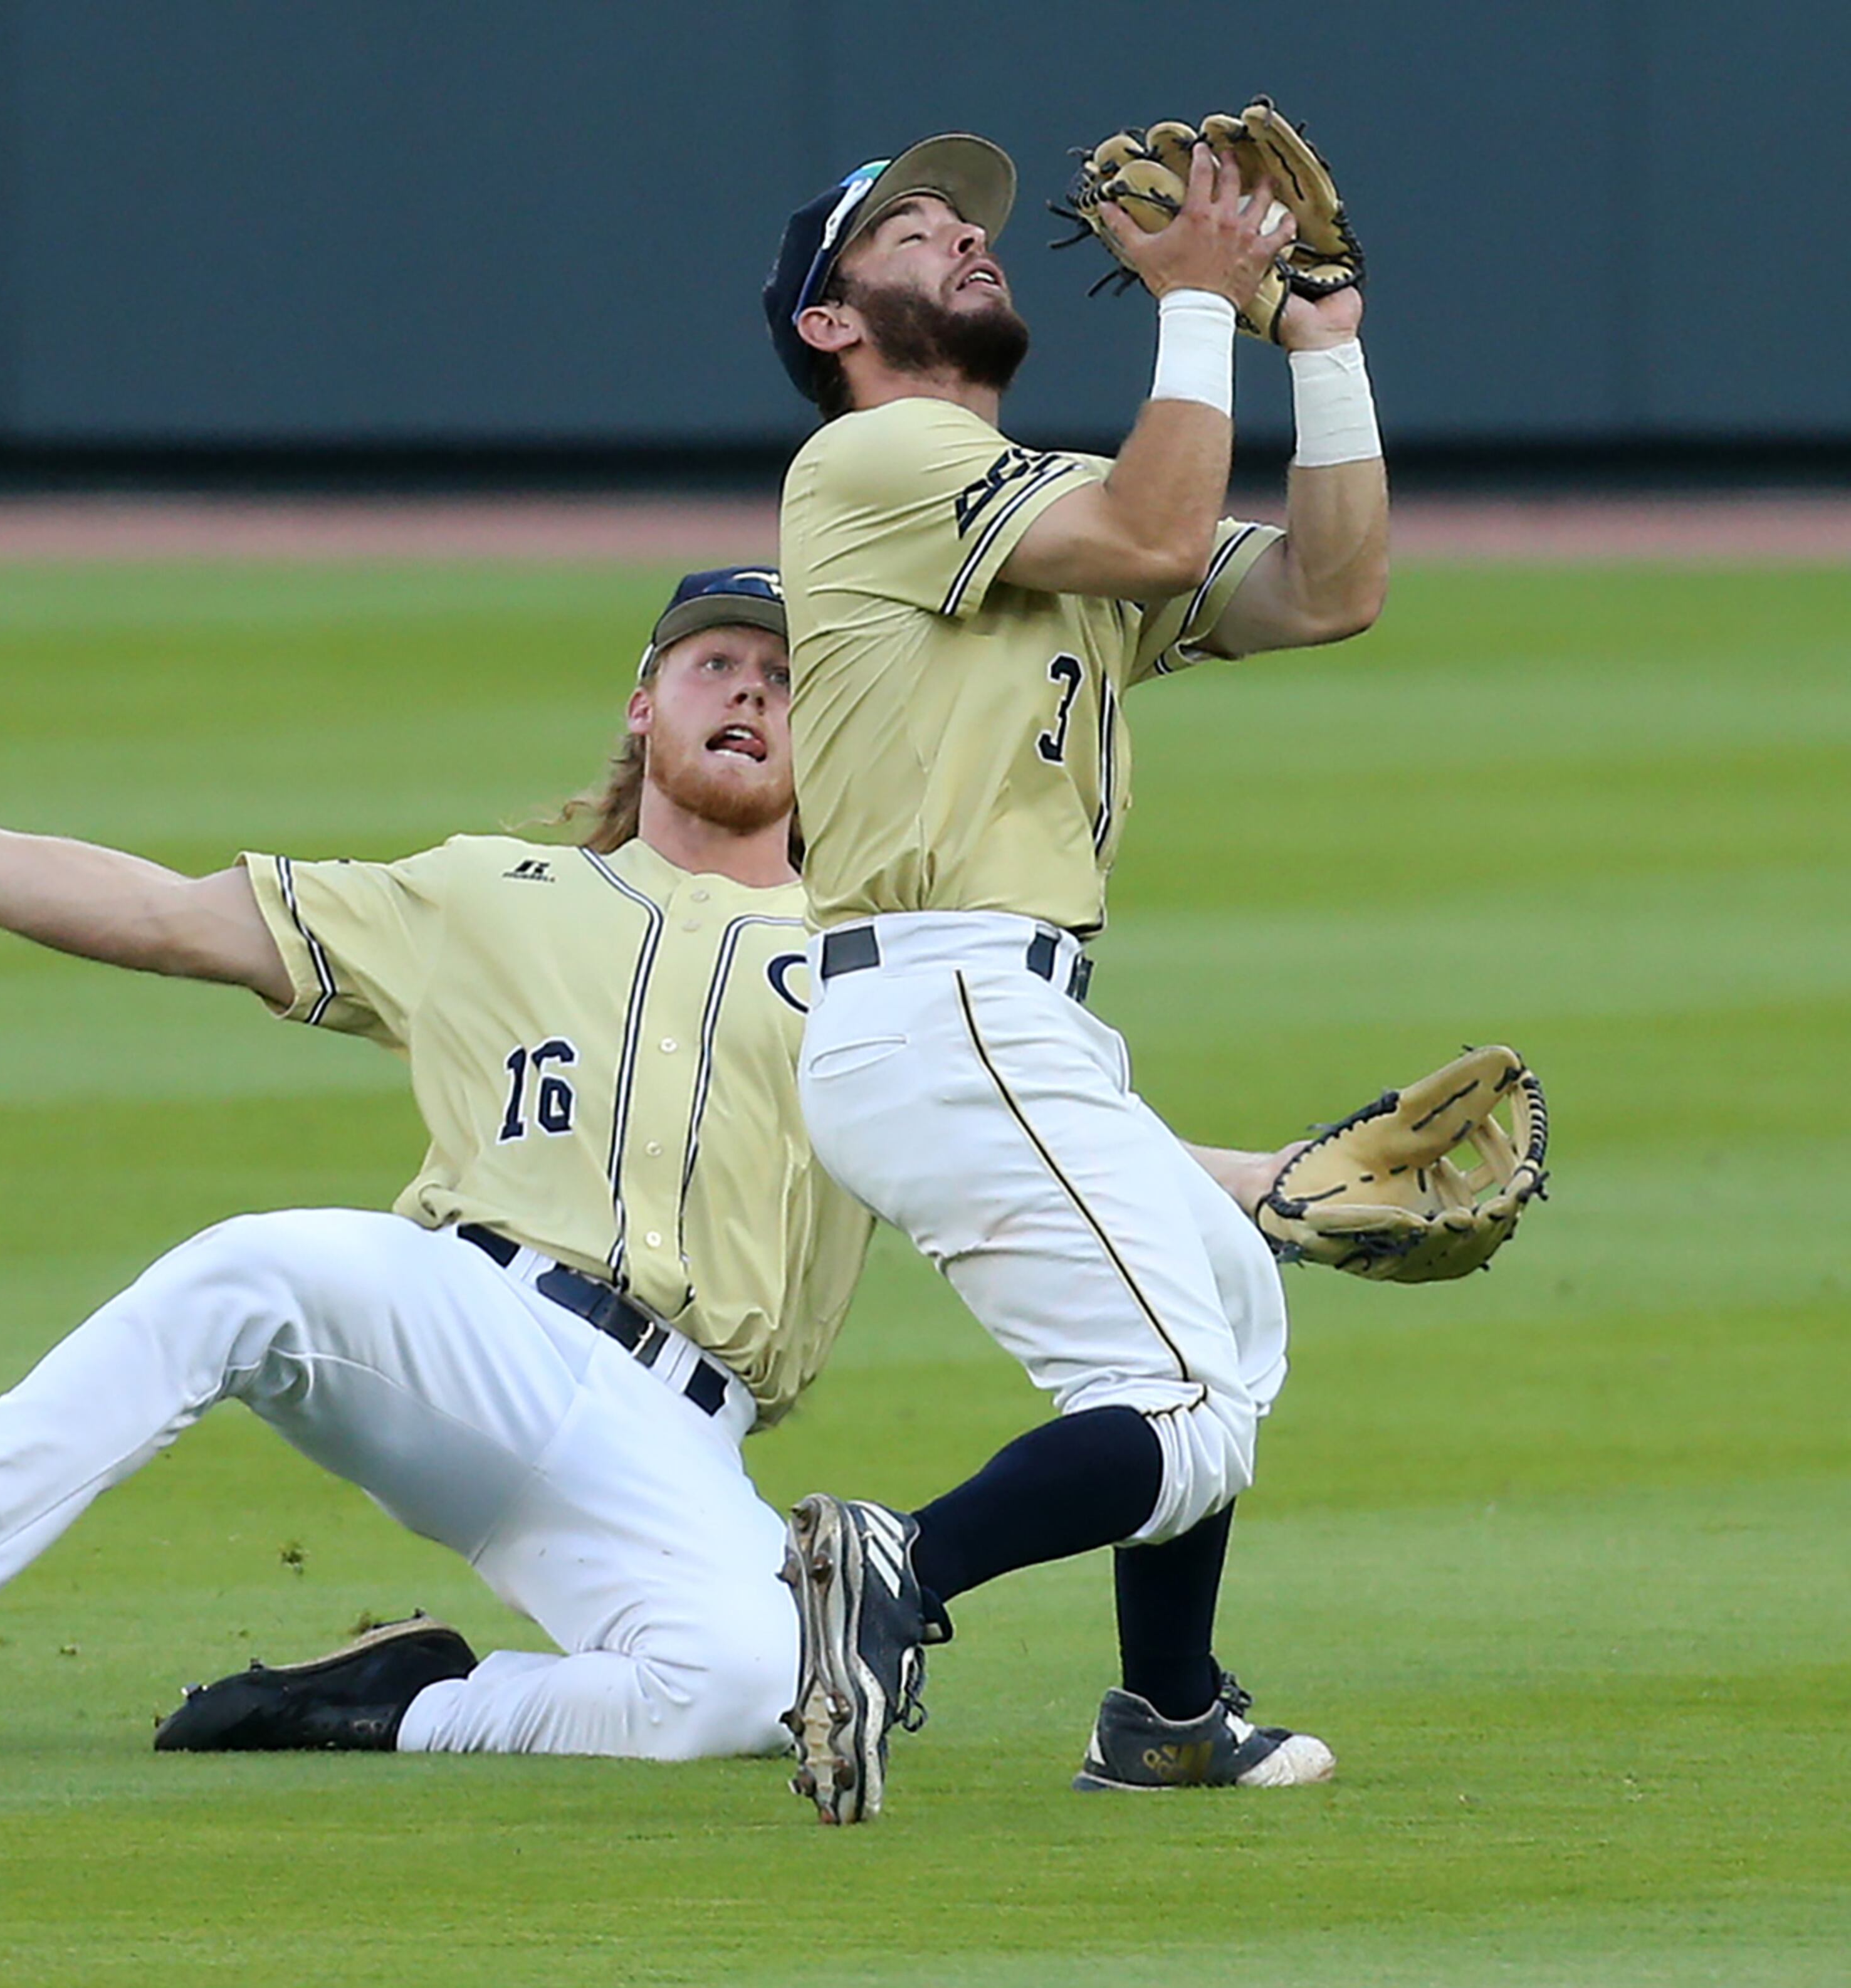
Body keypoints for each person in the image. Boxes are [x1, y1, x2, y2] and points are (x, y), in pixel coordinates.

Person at [0, 567, 878, 1762]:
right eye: (714, 665)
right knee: (255, 1269)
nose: (750, 693)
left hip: (674, 1431)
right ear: (644, 707)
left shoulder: (875, 964)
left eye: (785, 679)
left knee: (761, 1692)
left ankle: (391, 1705)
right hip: (466, 1330)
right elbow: (171, 917)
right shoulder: (495, 891)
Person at [760, 132, 1390, 1817]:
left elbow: (1333, 589)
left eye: (970, 218)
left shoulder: (1022, 513)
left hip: (992, 1011)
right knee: (1180, 1404)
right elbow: (1161, 522)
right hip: (944, 992)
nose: (964, 233)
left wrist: (1318, 349)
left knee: (1228, 1323)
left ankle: (1167, 1713)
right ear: (835, 322)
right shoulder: (878, 458)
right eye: (908, 227)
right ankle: (904, 1568)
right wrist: (1197, 306)